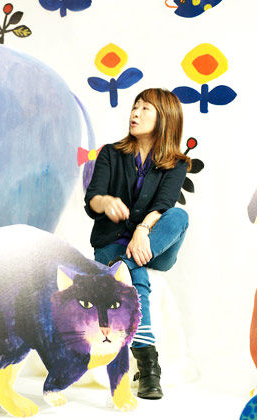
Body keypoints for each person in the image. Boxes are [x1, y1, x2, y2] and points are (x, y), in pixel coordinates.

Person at [84, 88, 190, 400]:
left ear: (164, 118)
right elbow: (92, 198)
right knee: (136, 274)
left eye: (145, 109)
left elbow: (163, 205)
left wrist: (143, 230)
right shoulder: (110, 153)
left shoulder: (177, 163)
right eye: (135, 107)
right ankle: (148, 366)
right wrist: (106, 202)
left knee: (179, 216)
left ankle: (127, 263)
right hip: (111, 243)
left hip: (153, 245)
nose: (135, 113)